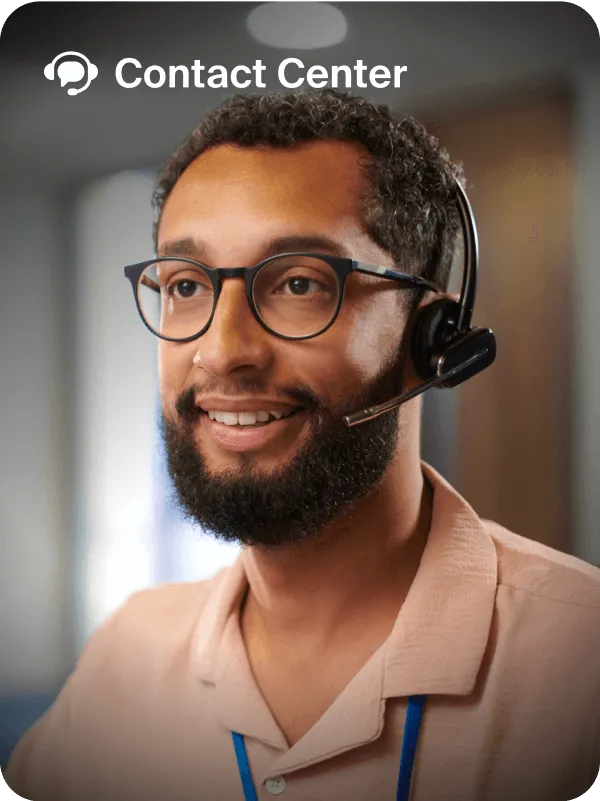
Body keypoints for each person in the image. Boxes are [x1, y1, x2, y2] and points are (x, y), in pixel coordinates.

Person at [3, 89, 599, 801]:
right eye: (186, 285)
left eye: (296, 283)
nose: (221, 353)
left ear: (429, 341)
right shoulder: (128, 656)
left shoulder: (579, 664)